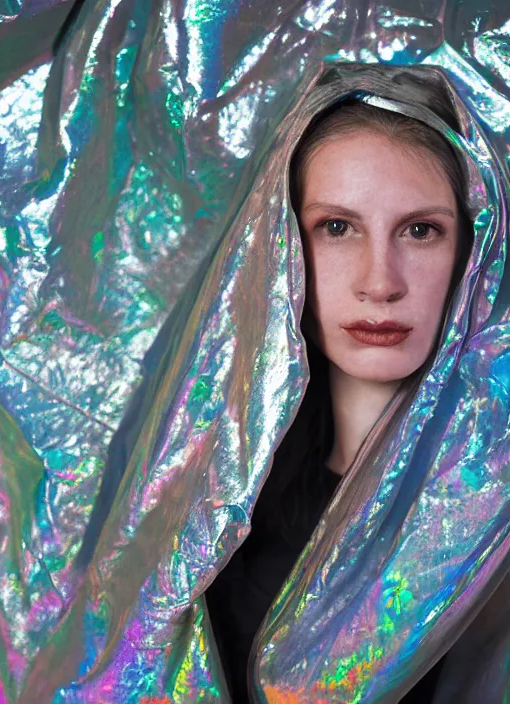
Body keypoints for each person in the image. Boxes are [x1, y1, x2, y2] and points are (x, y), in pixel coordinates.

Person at [204, 73, 473, 703]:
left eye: (420, 230)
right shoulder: (222, 510)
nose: (381, 283)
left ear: (470, 249)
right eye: (337, 228)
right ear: (281, 247)